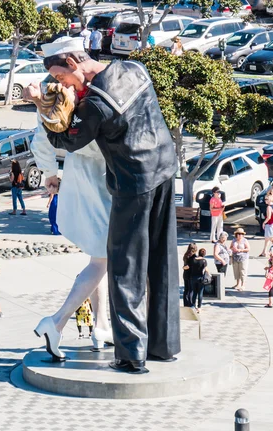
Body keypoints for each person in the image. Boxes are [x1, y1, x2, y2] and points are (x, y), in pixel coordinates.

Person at [28, 37, 181, 373]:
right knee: (162, 260)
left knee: (125, 268)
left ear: (72, 61)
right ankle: (164, 345)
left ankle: (130, 356)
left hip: (133, 182)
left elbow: (66, 139)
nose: (62, 84)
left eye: (61, 77)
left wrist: (42, 105)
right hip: (166, 169)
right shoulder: (133, 68)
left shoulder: (96, 103)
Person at [29, 64, 113, 359]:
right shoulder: (85, 103)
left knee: (99, 257)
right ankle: (57, 321)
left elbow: (40, 140)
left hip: (80, 181)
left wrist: (51, 174)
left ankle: (101, 325)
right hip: (101, 184)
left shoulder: (55, 105)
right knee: (102, 260)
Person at [190, 248, 208, 314]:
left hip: (193, 278)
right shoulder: (204, 261)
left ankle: (193, 306)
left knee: (194, 292)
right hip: (200, 278)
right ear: (204, 254)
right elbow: (206, 269)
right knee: (200, 293)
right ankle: (199, 307)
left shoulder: (193, 260)